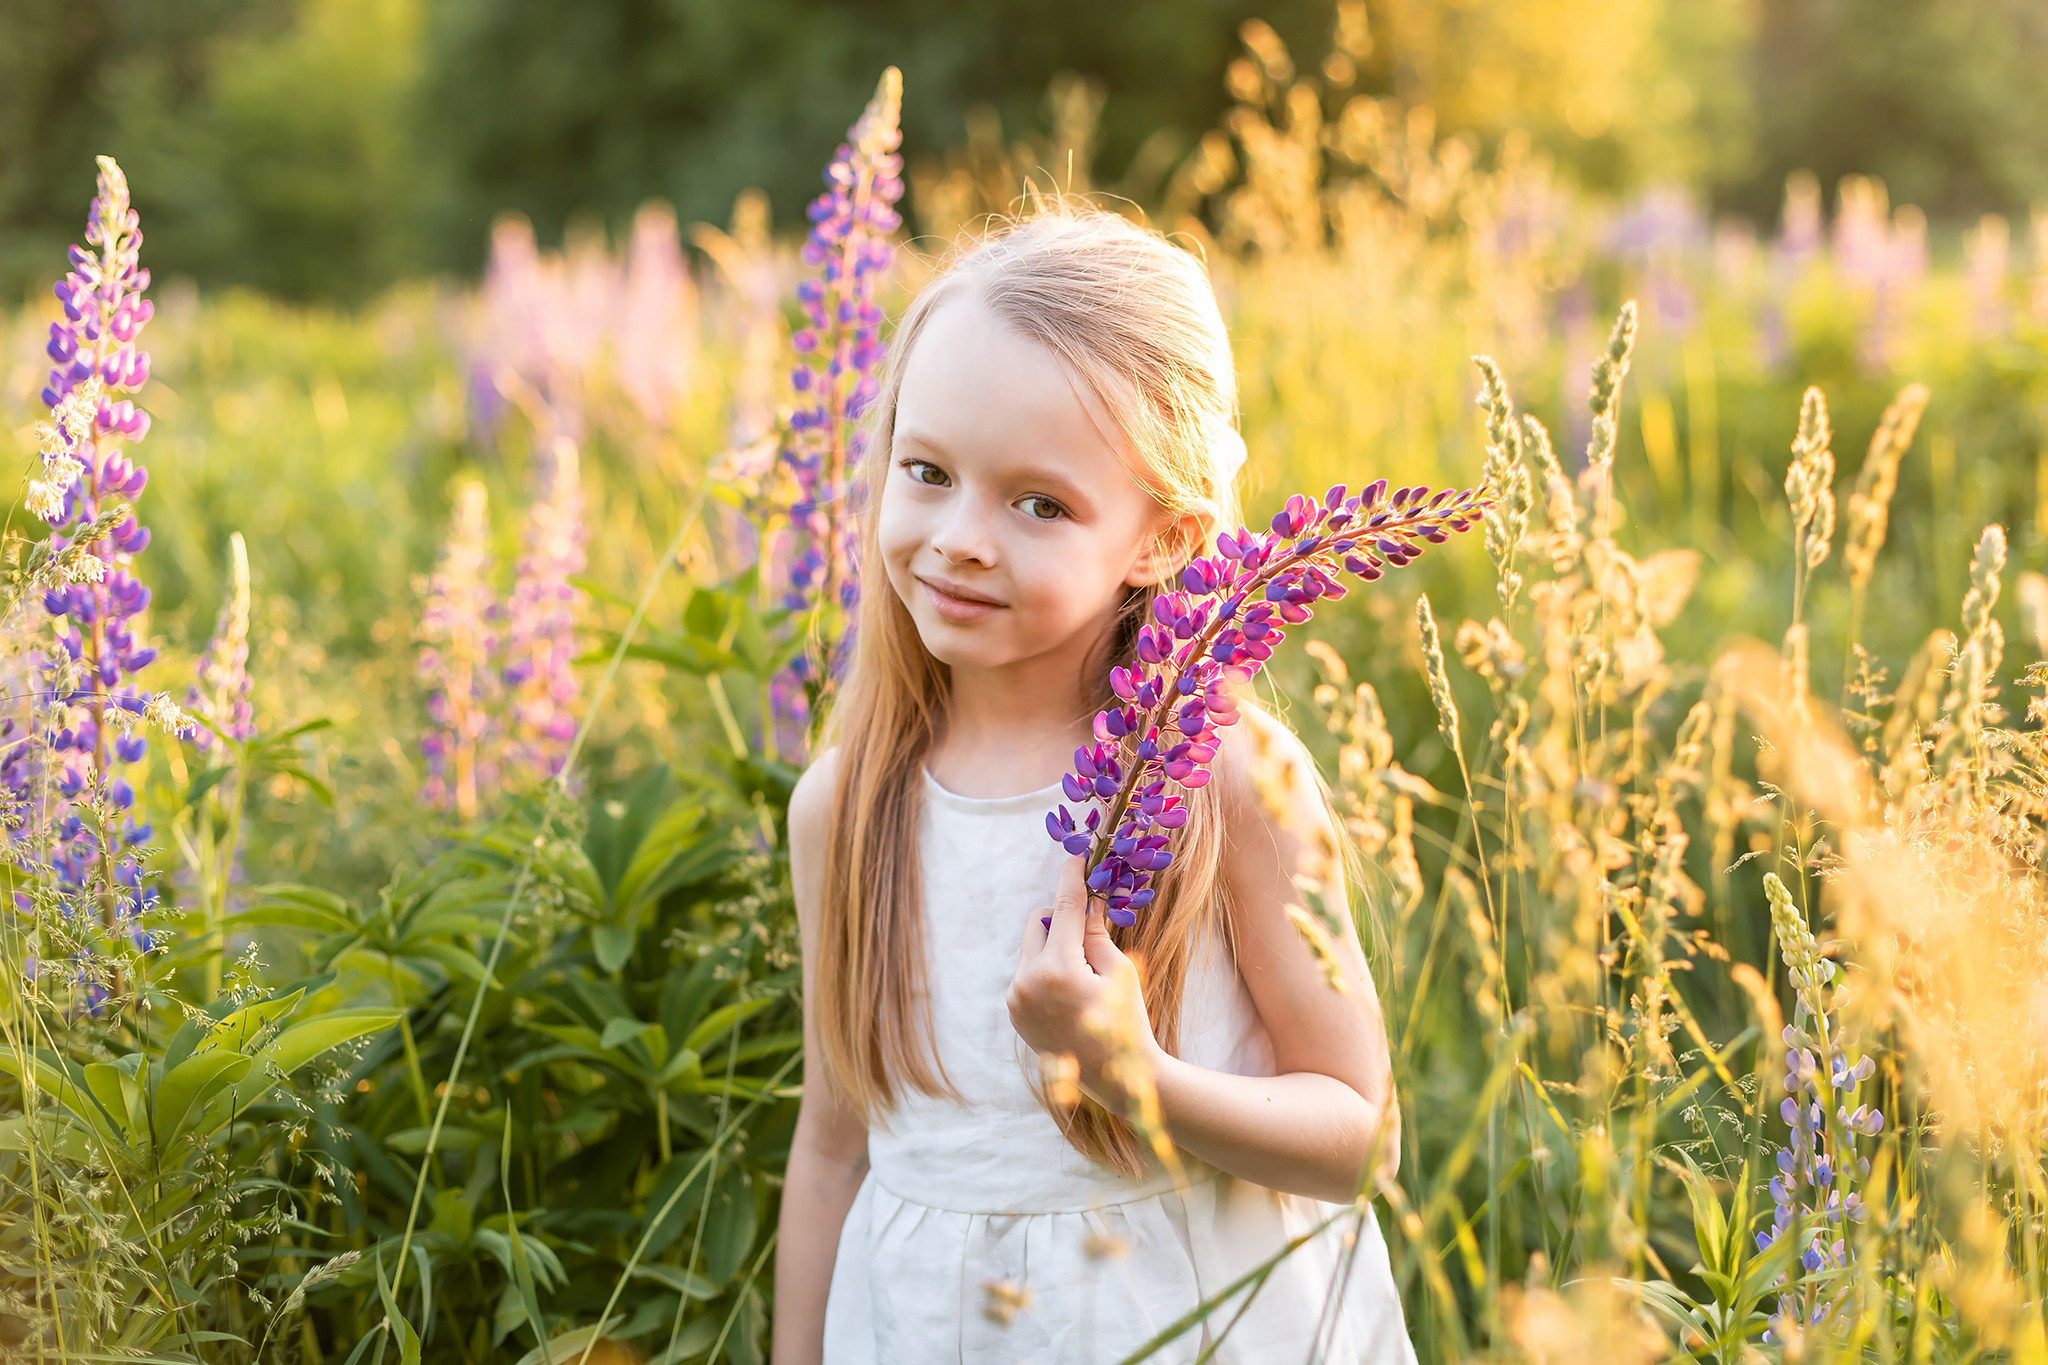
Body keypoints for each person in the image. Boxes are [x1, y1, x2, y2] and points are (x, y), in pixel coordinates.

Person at [771, 205, 1416, 1364]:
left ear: (1162, 536)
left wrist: (1135, 1076)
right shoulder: (844, 804)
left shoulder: (1228, 780)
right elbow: (831, 1147)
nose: (960, 537)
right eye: (926, 471)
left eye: (1038, 503)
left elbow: (1359, 1134)